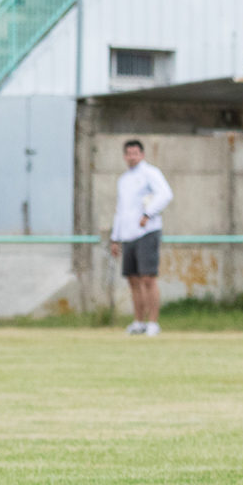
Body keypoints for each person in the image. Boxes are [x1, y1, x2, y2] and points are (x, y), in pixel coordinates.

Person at [110, 139, 173, 337]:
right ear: (124, 156)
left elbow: (165, 194)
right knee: (133, 280)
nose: (132, 157)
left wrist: (148, 213)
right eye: (128, 154)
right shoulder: (123, 180)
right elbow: (120, 210)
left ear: (142, 155)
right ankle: (138, 322)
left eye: (135, 153)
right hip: (128, 234)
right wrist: (115, 238)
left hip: (147, 232)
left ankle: (153, 323)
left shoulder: (150, 173)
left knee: (148, 278)